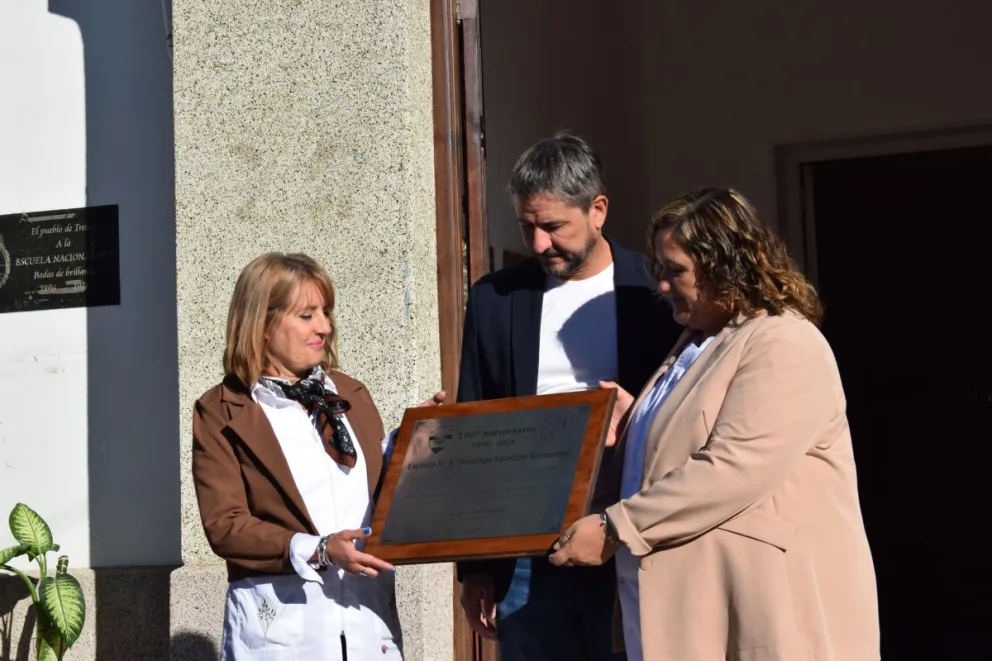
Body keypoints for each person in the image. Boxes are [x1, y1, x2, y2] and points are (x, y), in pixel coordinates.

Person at [549, 187, 880, 661]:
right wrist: (635, 429)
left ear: (727, 267)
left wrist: (614, 528)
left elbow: (733, 466)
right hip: (682, 610)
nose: (662, 287)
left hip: (761, 612)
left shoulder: (783, 341)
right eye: (658, 271)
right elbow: (681, 445)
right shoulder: (695, 343)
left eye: (676, 271)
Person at [456, 133, 682, 660]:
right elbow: (475, 423)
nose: (539, 244)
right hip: (527, 548)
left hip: (632, 533)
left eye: (554, 226)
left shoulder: (654, 291)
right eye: (526, 226)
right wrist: (476, 567)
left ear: (597, 210)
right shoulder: (496, 297)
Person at [192, 252, 444, 661]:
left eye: (325, 312)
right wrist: (318, 548)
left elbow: (374, 496)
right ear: (262, 323)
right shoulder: (220, 409)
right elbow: (226, 526)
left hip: (365, 624)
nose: (324, 327)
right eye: (306, 315)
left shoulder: (351, 393)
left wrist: (412, 443)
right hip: (284, 630)